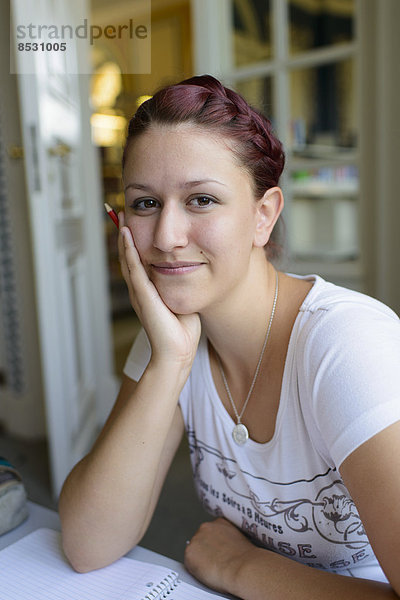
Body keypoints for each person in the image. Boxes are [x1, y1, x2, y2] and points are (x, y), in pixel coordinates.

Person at [59, 75, 400, 599]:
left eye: (200, 200)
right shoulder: (168, 338)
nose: (167, 238)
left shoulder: (347, 347)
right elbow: (87, 545)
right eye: (145, 204)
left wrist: (243, 568)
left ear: (263, 215)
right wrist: (168, 363)